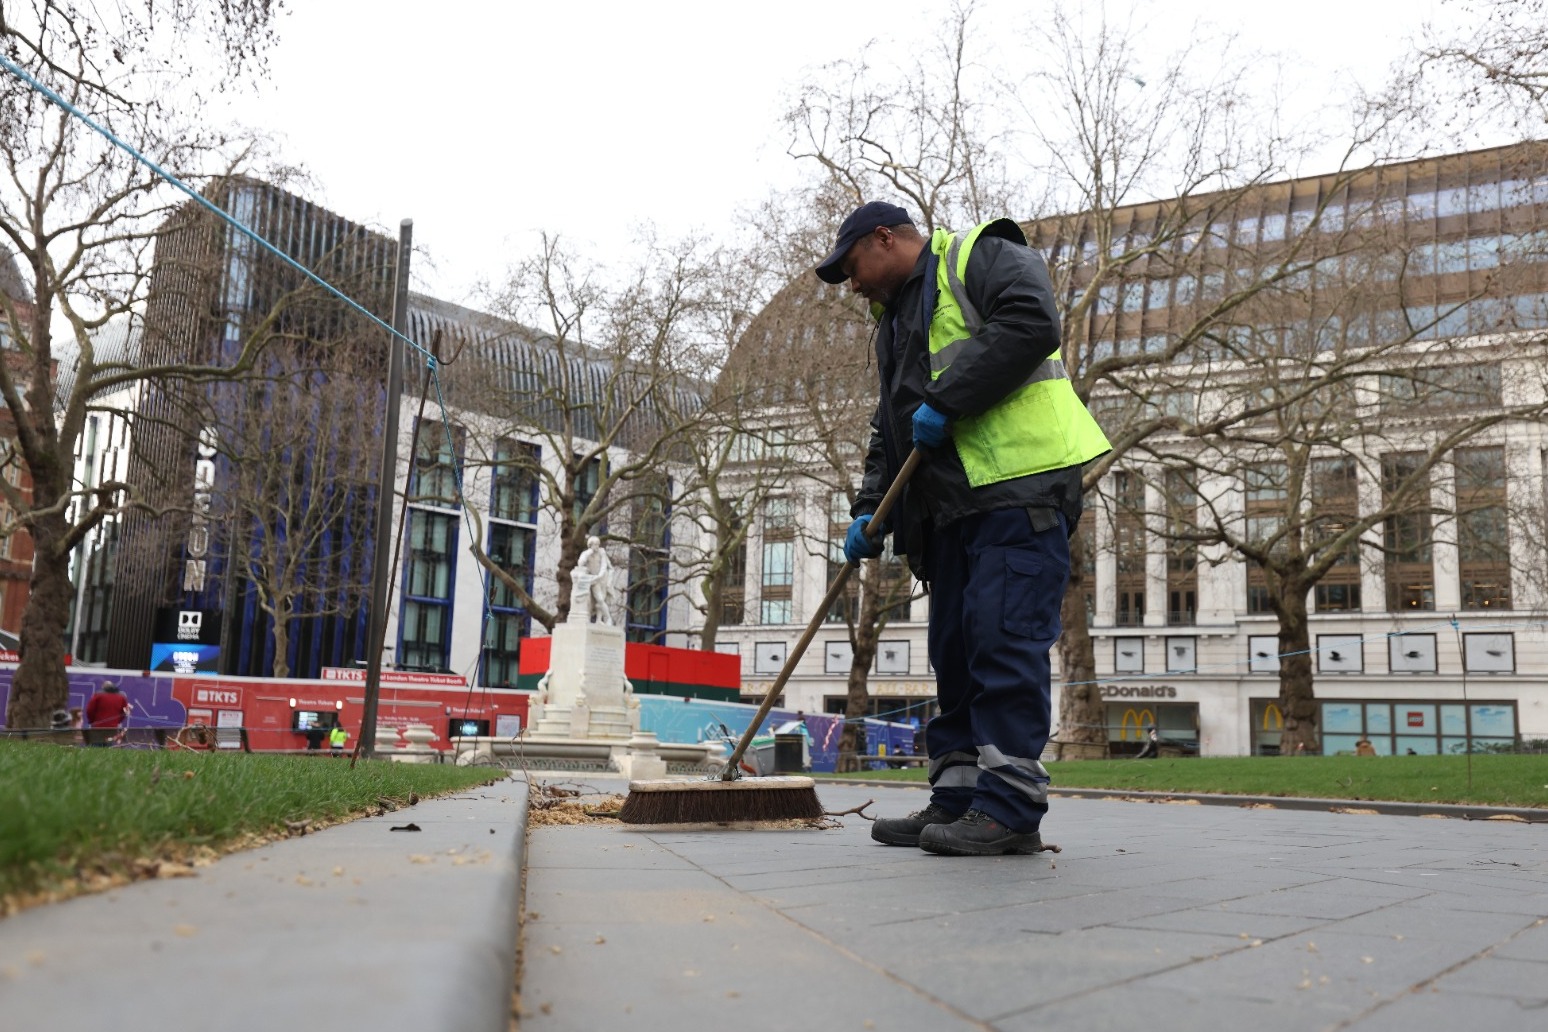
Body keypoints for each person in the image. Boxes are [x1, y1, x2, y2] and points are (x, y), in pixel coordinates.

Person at [816, 200, 1110, 857]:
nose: (852, 283)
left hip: (1016, 495)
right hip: (946, 519)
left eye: (852, 266)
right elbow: (888, 429)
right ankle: (956, 800)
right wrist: (870, 508)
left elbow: (1033, 322)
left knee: (1001, 646)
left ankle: (1009, 810)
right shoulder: (894, 323)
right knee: (955, 658)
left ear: (885, 238)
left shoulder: (980, 255)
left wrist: (948, 400)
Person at [84, 681, 130, 747]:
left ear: (103, 687)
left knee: (96, 746)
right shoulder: (121, 697)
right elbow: (125, 712)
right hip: (112, 728)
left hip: (97, 727)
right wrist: (117, 721)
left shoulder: (98, 695)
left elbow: (90, 710)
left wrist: (92, 721)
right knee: (108, 745)